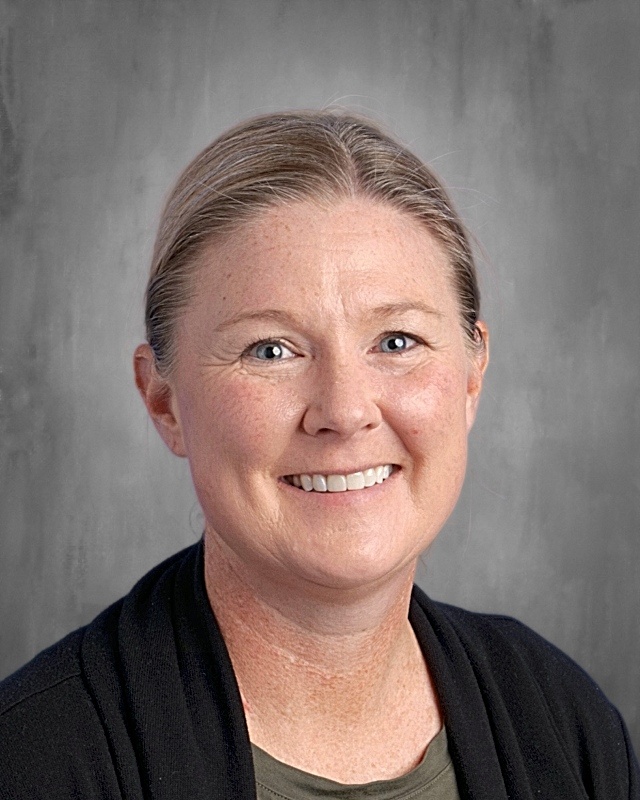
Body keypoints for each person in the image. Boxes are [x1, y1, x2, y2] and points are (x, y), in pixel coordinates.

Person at [0, 110, 637, 799]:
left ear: (472, 376)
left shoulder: (563, 720)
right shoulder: (39, 761)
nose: (344, 410)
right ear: (164, 402)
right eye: (270, 350)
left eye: (396, 341)